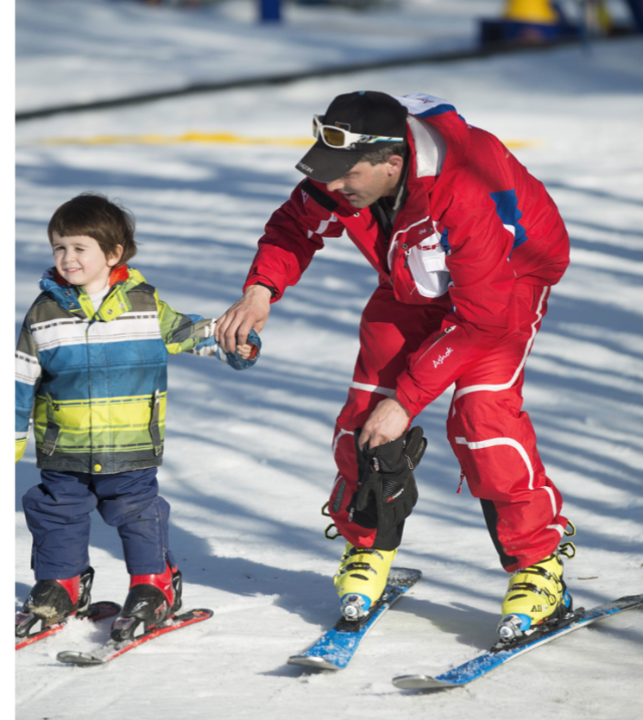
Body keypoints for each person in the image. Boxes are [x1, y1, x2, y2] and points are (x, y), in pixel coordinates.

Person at [212, 91, 573, 640]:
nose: (333, 187)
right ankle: (368, 547)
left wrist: (406, 401)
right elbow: (295, 224)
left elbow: (482, 319)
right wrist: (261, 291)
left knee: (481, 420)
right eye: (326, 172)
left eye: (346, 175)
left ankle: (537, 564)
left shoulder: (466, 191)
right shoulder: (353, 166)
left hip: (506, 284)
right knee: (364, 417)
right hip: (413, 279)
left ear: (393, 163)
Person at [14, 193, 259, 643]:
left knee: (138, 515)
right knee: (56, 514)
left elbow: (187, 333)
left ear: (113, 254)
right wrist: (10, 439)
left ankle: (153, 585)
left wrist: (233, 342)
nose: (67, 258)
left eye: (79, 248)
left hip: (131, 445)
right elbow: (20, 378)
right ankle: (61, 585)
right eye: (59, 248)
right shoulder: (43, 314)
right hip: (62, 448)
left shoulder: (144, 305)